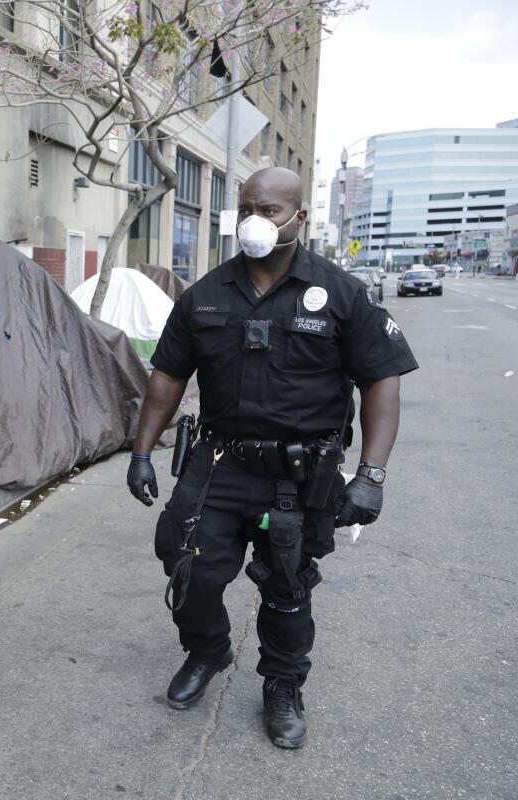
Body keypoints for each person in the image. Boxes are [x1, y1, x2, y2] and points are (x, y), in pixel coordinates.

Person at [125, 167, 418, 749]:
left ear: (300, 217)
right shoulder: (206, 293)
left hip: (300, 475)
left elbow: (381, 380)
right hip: (218, 466)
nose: (257, 221)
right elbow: (167, 377)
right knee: (191, 573)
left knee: (287, 588)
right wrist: (140, 452)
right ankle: (206, 652)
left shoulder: (341, 293)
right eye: (248, 208)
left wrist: (372, 476)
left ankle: (282, 684)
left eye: (273, 210)